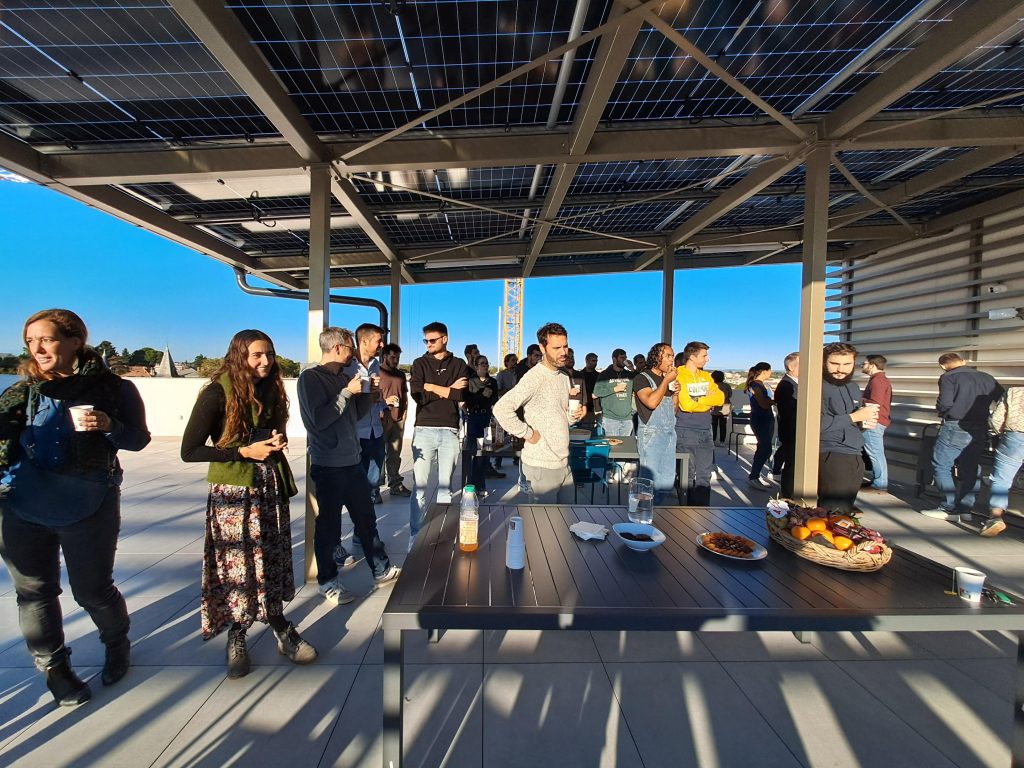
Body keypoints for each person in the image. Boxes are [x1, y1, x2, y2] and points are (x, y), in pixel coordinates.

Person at [0, 309, 150, 706]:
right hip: (22, 503)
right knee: (33, 592)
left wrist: (109, 426)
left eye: (46, 339)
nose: (37, 348)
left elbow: (137, 440)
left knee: (92, 590)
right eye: (31, 340)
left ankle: (117, 643)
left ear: (73, 341)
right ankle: (55, 668)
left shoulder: (115, 390)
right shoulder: (22, 392)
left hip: (89, 501)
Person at [181, 330, 316, 679]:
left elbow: (274, 428)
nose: (265, 362)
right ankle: (237, 633)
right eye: (257, 355)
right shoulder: (215, 392)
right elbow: (190, 450)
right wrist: (242, 451)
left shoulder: (270, 389)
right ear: (239, 355)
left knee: (270, 558)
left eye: (269, 354)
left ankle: (278, 624)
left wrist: (276, 438)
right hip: (233, 492)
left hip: (269, 486)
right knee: (238, 565)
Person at [298, 327, 399, 609]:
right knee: (329, 528)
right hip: (328, 465)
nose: (353, 352)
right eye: (349, 348)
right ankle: (328, 582)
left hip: (352, 461)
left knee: (366, 519)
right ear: (338, 348)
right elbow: (318, 420)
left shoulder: (343, 377)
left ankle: (381, 569)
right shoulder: (310, 378)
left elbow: (352, 415)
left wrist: (369, 395)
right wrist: (347, 391)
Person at [493, 323, 585, 503]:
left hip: (563, 463)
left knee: (564, 523)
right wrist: (527, 433)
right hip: (540, 467)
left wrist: (573, 416)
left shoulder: (564, 377)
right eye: (556, 348)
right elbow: (501, 408)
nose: (563, 352)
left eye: (565, 346)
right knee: (542, 527)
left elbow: (560, 416)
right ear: (543, 348)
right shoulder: (534, 377)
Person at [409, 322, 471, 549]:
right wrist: (445, 389)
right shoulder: (419, 363)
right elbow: (418, 396)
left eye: (432, 340)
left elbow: (461, 394)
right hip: (424, 429)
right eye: (425, 340)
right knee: (420, 488)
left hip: (450, 430)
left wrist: (430, 386)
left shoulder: (459, 364)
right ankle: (415, 538)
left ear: (444, 338)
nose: (428, 344)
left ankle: (440, 539)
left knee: (445, 488)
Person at [922, 353, 1003, 520]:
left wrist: (944, 412)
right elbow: (1003, 399)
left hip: (956, 424)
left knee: (941, 464)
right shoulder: (987, 377)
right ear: (963, 362)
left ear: (943, 366)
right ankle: (965, 509)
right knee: (971, 466)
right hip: (980, 426)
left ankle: (947, 507)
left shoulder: (948, 377)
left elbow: (945, 403)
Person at [819, 342, 878, 513]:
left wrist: (864, 421)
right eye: (834, 364)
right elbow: (817, 424)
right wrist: (855, 416)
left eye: (847, 364)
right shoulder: (816, 387)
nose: (840, 369)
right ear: (824, 362)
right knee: (833, 511)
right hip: (831, 452)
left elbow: (853, 419)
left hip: (855, 451)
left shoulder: (852, 387)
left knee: (844, 509)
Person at [675, 341, 724, 506]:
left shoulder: (706, 376)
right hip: (686, 430)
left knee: (705, 475)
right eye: (704, 355)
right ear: (692, 356)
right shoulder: (678, 375)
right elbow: (686, 405)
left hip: (706, 430)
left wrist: (699, 400)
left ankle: (703, 511)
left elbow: (720, 398)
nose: (707, 359)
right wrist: (707, 401)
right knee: (686, 475)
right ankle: (685, 512)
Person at [344, 323, 385, 507]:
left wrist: (381, 400)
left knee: (373, 480)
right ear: (364, 341)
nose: (382, 345)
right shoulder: (347, 366)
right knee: (357, 484)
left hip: (375, 430)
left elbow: (375, 395)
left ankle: (367, 527)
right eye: (379, 340)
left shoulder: (376, 364)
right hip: (356, 433)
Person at [634, 343, 680, 503]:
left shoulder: (665, 381)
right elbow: (651, 403)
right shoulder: (641, 378)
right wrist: (666, 380)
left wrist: (676, 393)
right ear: (656, 357)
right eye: (668, 356)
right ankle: (641, 519)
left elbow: (673, 411)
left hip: (669, 435)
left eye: (673, 356)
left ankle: (659, 517)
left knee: (666, 481)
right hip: (651, 436)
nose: (671, 360)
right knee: (648, 483)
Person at [983, 386, 1024, 537]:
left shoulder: (1014, 392)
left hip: (1014, 437)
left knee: (1001, 480)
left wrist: (998, 433)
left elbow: (996, 419)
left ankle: (995, 517)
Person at [462, 355, 499, 497]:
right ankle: (471, 485)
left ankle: (481, 484)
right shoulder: (471, 382)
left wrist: (489, 396)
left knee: (484, 454)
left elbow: (494, 399)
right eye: (482, 364)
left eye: (486, 363)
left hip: (486, 418)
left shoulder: (492, 382)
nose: (485, 366)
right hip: (474, 418)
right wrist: (482, 396)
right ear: (476, 366)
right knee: (473, 453)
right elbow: (468, 401)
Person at [379, 342, 411, 498]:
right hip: (381, 419)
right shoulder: (376, 372)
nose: (396, 360)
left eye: (398, 358)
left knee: (394, 455)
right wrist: (384, 402)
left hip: (397, 419)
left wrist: (405, 411)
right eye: (393, 357)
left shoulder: (400, 375)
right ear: (385, 356)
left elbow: (404, 395)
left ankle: (395, 485)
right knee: (378, 455)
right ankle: (374, 489)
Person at [860, 354, 892, 494]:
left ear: (872, 365)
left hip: (874, 421)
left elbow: (875, 402)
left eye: (865, 363)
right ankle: (878, 481)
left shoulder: (878, 381)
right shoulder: (879, 380)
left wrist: (858, 402)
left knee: (875, 453)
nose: (863, 366)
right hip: (876, 420)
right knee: (874, 452)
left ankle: (880, 484)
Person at [745, 362, 775, 490]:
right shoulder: (756, 385)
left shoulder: (763, 385)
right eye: (770, 370)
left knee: (764, 447)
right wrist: (775, 402)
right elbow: (763, 403)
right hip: (760, 418)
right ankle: (754, 476)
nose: (771, 373)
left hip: (766, 418)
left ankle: (755, 475)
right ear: (764, 371)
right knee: (765, 448)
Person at [773, 353, 799, 498]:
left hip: (792, 430)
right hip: (792, 430)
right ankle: (788, 496)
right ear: (790, 366)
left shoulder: (792, 383)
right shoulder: (787, 385)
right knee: (791, 465)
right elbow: (789, 410)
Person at [593, 349, 636, 436]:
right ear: (614, 359)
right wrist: (614, 389)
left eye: (625, 358)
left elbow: (640, 385)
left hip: (627, 418)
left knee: (625, 447)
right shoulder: (604, 374)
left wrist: (632, 369)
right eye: (622, 358)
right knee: (613, 447)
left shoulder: (630, 374)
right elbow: (596, 392)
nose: (625, 360)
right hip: (610, 418)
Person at [709, 370, 732, 446]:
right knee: (723, 425)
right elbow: (730, 395)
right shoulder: (727, 386)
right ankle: (722, 441)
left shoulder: (712, 385)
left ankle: (713, 440)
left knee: (714, 425)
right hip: (725, 406)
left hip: (714, 406)